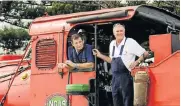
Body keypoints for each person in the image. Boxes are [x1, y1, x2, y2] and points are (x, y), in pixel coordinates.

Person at [93, 23, 149, 106]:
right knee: (116, 101)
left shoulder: (130, 42)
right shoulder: (112, 44)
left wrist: (136, 62)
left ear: (124, 31)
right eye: (117, 31)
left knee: (127, 101)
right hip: (114, 78)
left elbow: (145, 53)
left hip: (126, 77)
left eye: (121, 31)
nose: (119, 33)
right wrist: (100, 55)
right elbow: (111, 60)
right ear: (114, 33)